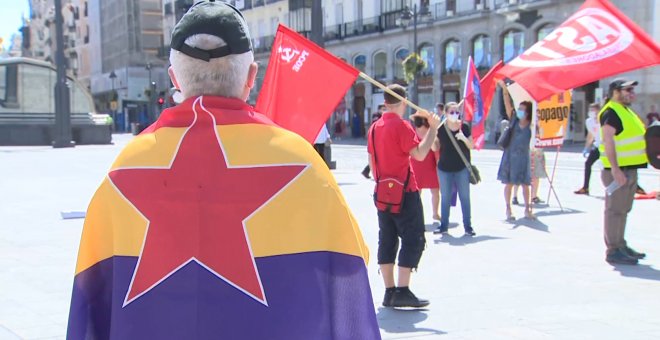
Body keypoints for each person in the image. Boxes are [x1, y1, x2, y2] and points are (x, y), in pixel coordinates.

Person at [67, 2, 380, 338]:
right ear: (250, 77)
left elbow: (92, 299)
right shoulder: (303, 165)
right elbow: (349, 266)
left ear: (174, 79)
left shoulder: (123, 172)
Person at [367, 84, 440, 308]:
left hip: (382, 193)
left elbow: (372, 164)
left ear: (385, 102)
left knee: (387, 239)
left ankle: (389, 292)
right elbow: (419, 155)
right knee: (413, 237)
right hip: (405, 192)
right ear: (404, 102)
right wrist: (434, 130)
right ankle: (403, 289)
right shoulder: (402, 126)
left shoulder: (374, 127)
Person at [599, 79, 648, 265]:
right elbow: (608, 141)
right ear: (615, 92)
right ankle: (613, 250)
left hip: (630, 169)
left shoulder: (626, 111)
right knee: (614, 210)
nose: (632, 93)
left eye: (632, 90)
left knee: (623, 210)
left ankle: (620, 245)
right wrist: (615, 170)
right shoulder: (611, 112)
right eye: (628, 90)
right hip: (617, 172)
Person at [432, 102, 475, 236]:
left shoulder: (464, 126)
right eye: (452, 112)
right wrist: (433, 134)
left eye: (457, 112)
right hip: (444, 168)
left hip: (461, 167)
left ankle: (468, 226)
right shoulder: (441, 128)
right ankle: (444, 225)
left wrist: (463, 138)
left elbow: (471, 145)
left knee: (465, 197)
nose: (455, 114)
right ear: (445, 114)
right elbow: (435, 148)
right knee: (445, 197)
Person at [497, 80, 535, 221]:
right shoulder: (513, 119)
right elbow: (507, 103)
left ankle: (527, 209)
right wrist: (505, 89)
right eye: (519, 108)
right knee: (509, 183)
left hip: (523, 158)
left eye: (522, 109)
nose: (519, 111)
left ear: (528, 112)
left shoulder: (532, 124)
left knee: (526, 185)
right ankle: (508, 209)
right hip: (510, 157)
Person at [410, 115, 441, 222]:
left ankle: (435, 213)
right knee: (416, 193)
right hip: (416, 165)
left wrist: (431, 133)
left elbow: (435, 148)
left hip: (430, 165)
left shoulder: (431, 132)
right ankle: (417, 215)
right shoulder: (412, 132)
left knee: (435, 191)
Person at [575, 103, 602, 195]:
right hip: (597, 146)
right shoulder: (589, 121)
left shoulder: (604, 120)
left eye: (594, 110)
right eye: (591, 110)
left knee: (609, 168)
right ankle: (585, 187)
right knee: (588, 164)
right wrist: (586, 147)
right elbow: (591, 134)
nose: (592, 112)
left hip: (606, 147)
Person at [361, 104, 385, 179]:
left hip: (379, 138)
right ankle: (366, 171)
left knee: (378, 156)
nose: (384, 111)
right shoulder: (376, 116)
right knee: (376, 156)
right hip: (375, 138)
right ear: (379, 109)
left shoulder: (381, 116)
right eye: (383, 109)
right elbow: (376, 124)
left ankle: (366, 171)